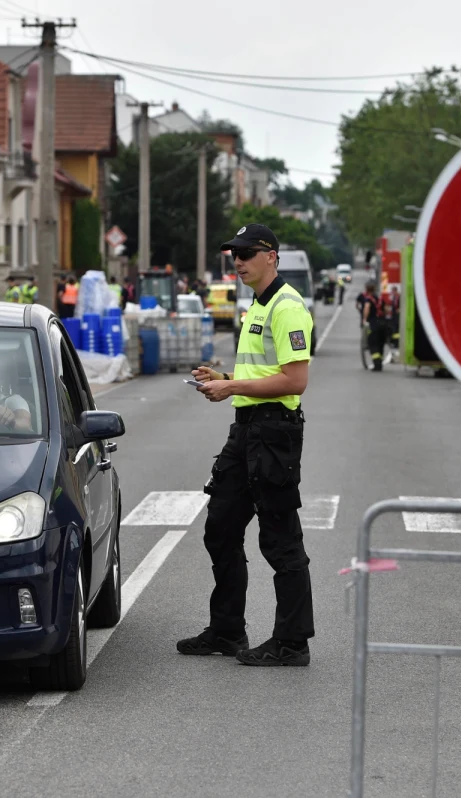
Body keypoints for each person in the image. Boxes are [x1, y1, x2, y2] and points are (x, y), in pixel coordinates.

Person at [179, 222, 315, 667]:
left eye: (246, 253)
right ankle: (227, 631)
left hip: (274, 432)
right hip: (247, 430)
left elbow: (296, 380)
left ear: (270, 255)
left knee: (280, 540)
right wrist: (223, 380)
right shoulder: (256, 305)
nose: (237, 261)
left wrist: (233, 385)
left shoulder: (287, 306)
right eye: (233, 254)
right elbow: (262, 372)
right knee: (220, 526)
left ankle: (292, 643)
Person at [361, 280, 388, 371]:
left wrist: (364, 319)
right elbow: (386, 310)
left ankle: (377, 364)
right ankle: (380, 362)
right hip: (383, 323)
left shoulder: (369, 299)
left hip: (374, 324)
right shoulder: (380, 299)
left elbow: (367, 308)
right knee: (381, 344)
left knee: (373, 344)